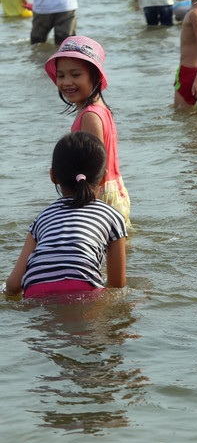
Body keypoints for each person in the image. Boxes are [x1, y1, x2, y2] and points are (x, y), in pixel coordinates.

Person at [5, 131, 127, 300]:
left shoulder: (42, 218)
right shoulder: (112, 216)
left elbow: (13, 286)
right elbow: (117, 285)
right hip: (85, 291)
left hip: (36, 291)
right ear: (104, 178)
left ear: (53, 176)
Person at [44, 36, 130, 223]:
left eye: (75, 75)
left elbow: (93, 167)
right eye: (61, 75)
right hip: (113, 193)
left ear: (96, 76)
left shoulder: (90, 115)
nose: (67, 82)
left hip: (99, 197)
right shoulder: (98, 109)